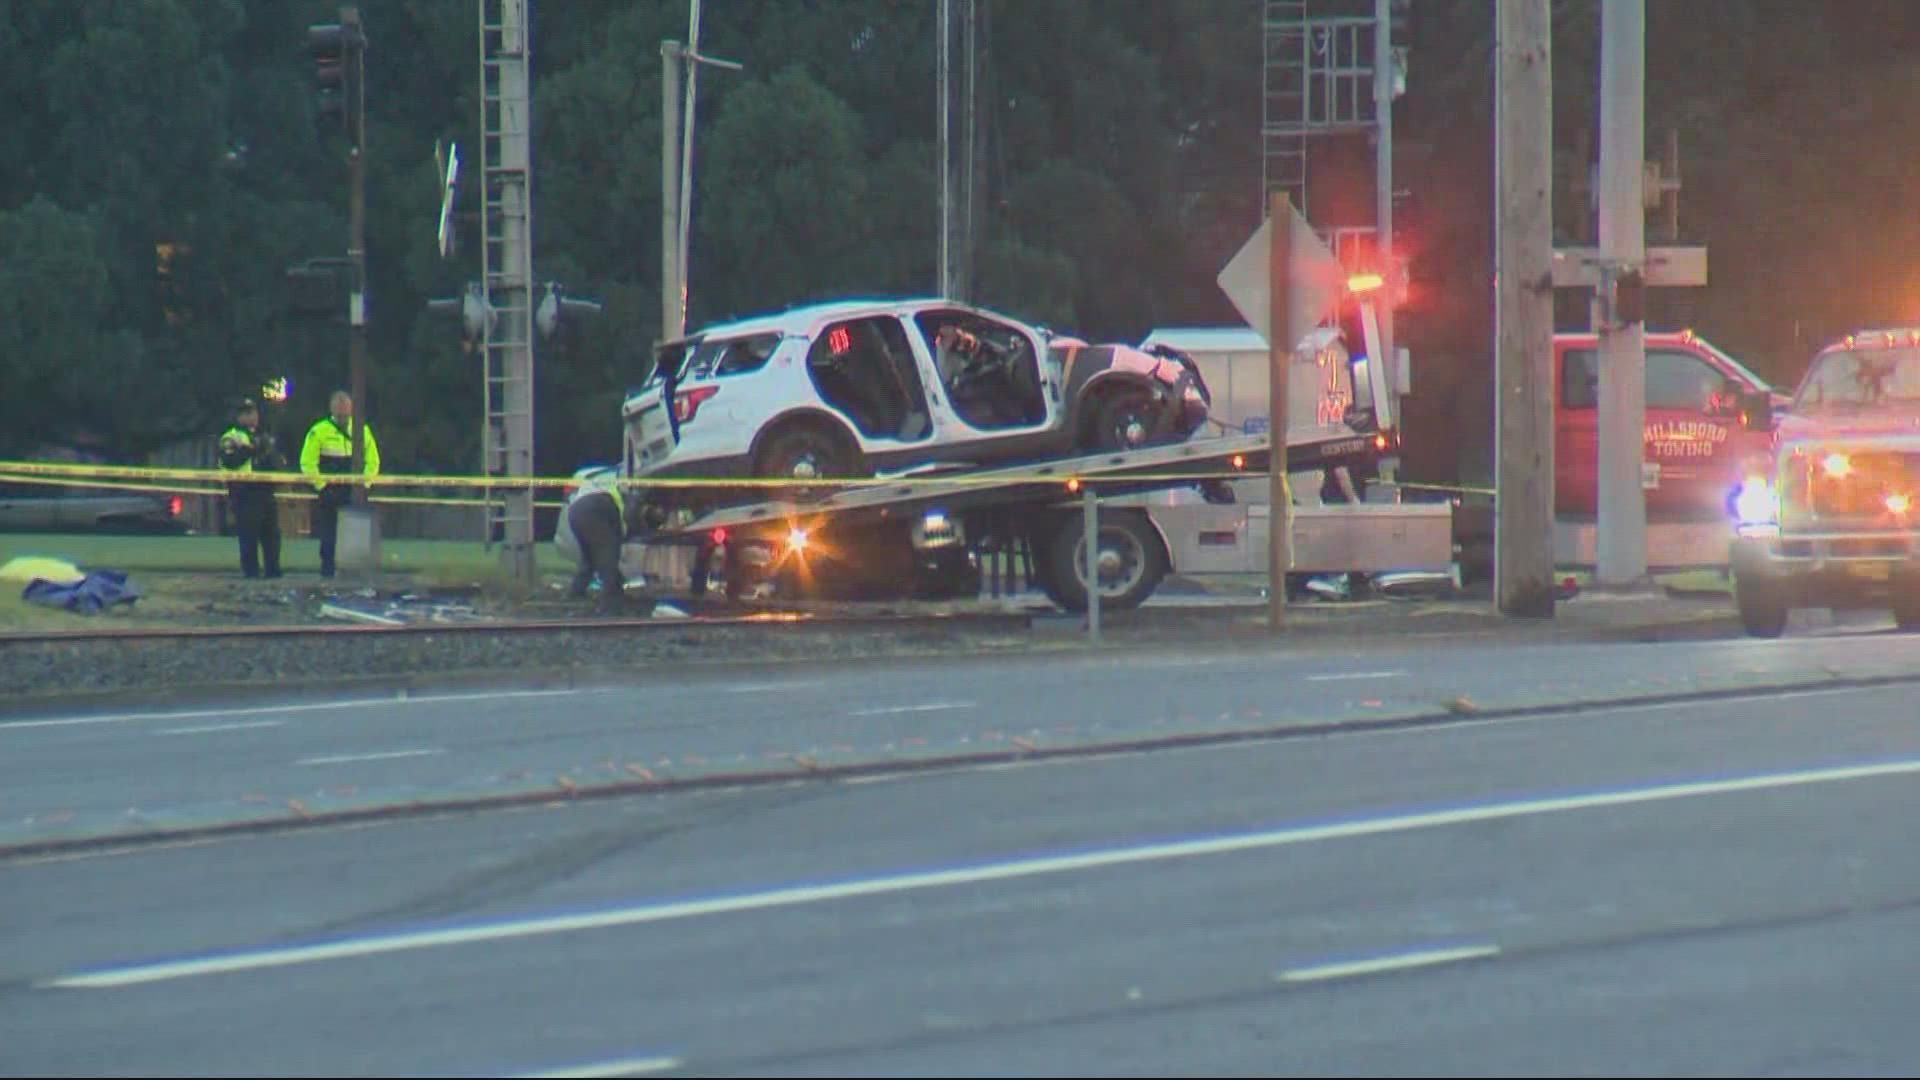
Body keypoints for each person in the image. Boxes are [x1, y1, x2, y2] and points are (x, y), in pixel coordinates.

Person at [299, 390, 380, 578]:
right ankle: (327, 572)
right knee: (328, 533)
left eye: (346, 412)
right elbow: (307, 462)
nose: (344, 416)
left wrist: (364, 484)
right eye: (340, 412)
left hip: (354, 490)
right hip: (330, 491)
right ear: (332, 409)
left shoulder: (362, 430)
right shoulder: (318, 431)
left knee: (355, 532)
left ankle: (353, 573)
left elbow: (373, 460)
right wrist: (321, 486)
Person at [217, 397, 284, 579]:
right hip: (244, 493)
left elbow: (277, 462)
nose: (253, 417)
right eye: (247, 413)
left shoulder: (264, 436)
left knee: (271, 535)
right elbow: (230, 461)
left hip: (265, 491)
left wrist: (267, 452)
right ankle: (251, 573)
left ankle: (273, 571)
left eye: (254, 412)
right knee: (249, 536)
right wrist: (251, 449)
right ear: (239, 416)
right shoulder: (231, 436)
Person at [562, 471, 642, 615]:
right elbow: (618, 538)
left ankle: (576, 592)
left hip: (575, 511)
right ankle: (610, 606)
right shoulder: (629, 501)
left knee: (589, 557)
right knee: (607, 558)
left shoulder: (610, 483)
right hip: (595, 508)